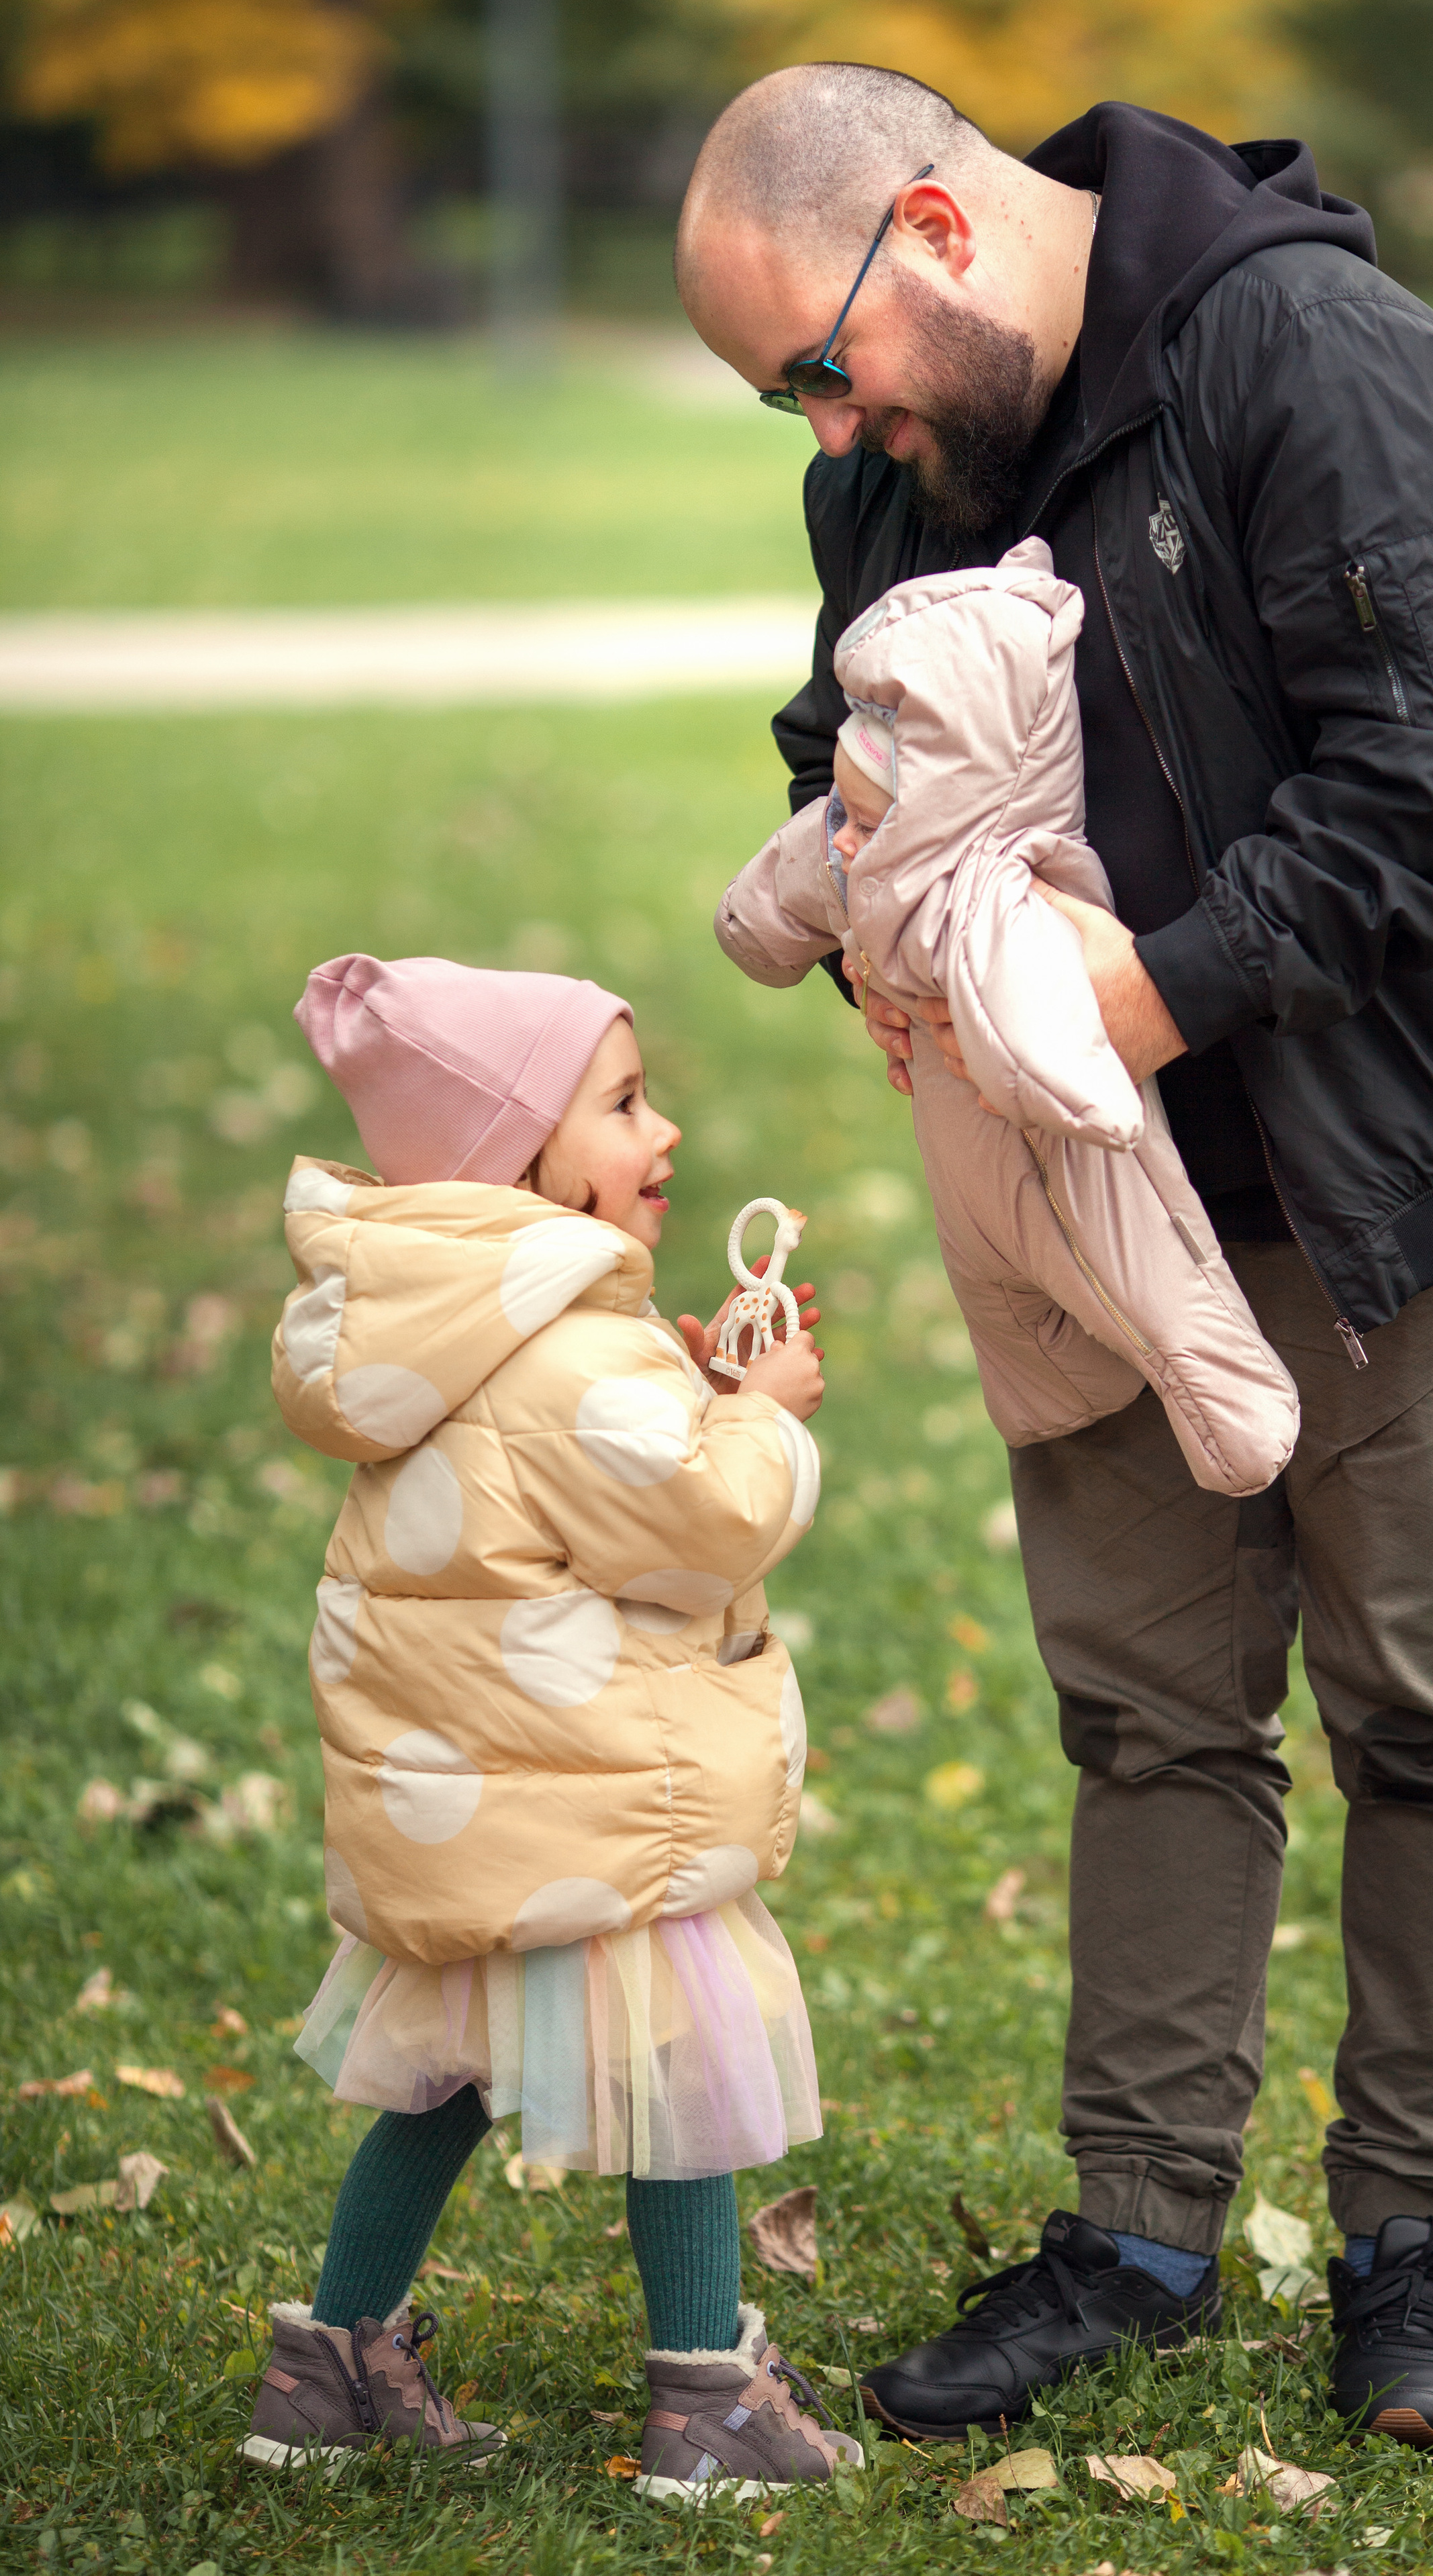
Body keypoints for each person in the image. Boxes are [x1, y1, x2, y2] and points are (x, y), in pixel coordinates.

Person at [677, 64, 1433, 2446]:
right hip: (1101, 1214)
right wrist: (873, 915)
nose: (830, 435)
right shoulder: (900, 459)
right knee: (1147, 1713)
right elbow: (854, 731)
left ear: (928, 226)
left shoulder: (1307, 353)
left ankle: (1415, 2235)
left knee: (1431, 1717)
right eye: (787, 406)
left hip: (1394, 1150)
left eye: (821, 368)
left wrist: (1119, 1007)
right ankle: (1137, 2237)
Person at [240, 951, 863, 2500]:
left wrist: (694, 1380)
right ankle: (708, 2397)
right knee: (688, 2079)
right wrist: (763, 1412)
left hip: (490, 1805)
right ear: (518, 1159)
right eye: (626, 1104)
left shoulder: (443, 1332)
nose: (663, 1134)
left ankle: (331, 2365)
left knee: (437, 2083)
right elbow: (703, 1521)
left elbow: (578, 1486)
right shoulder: (572, 1350)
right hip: (600, 1812)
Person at [715, 535, 1299, 1497]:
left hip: (1075, 1156)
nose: (851, 844)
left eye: (872, 823)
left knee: (1152, 1287)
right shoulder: (854, 851)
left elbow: (1044, 1024)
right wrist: (845, 948)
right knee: (1003, 1311)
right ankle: (1047, 1390)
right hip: (965, 1167)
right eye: (847, 816)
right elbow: (779, 896)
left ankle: (1239, 1415)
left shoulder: (996, 898)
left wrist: (1072, 1079)